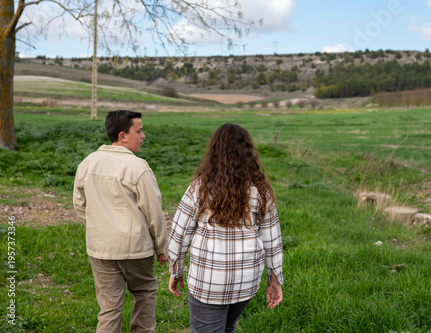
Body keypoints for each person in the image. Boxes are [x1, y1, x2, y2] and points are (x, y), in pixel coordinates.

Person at [168, 123, 284, 333]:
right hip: (245, 281)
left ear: (214, 152)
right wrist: (274, 279)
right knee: (228, 327)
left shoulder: (200, 187)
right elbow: (272, 239)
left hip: (207, 282)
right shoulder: (260, 190)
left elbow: (179, 233)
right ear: (248, 152)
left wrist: (176, 271)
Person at [73, 110, 168, 333]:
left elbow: (79, 204)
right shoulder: (138, 167)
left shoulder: (87, 163)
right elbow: (154, 212)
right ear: (123, 136)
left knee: (108, 307)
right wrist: (162, 247)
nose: (143, 135)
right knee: (144, 294)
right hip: (135, 248)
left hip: (100, 248)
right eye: (139, 130)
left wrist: (98, 227)